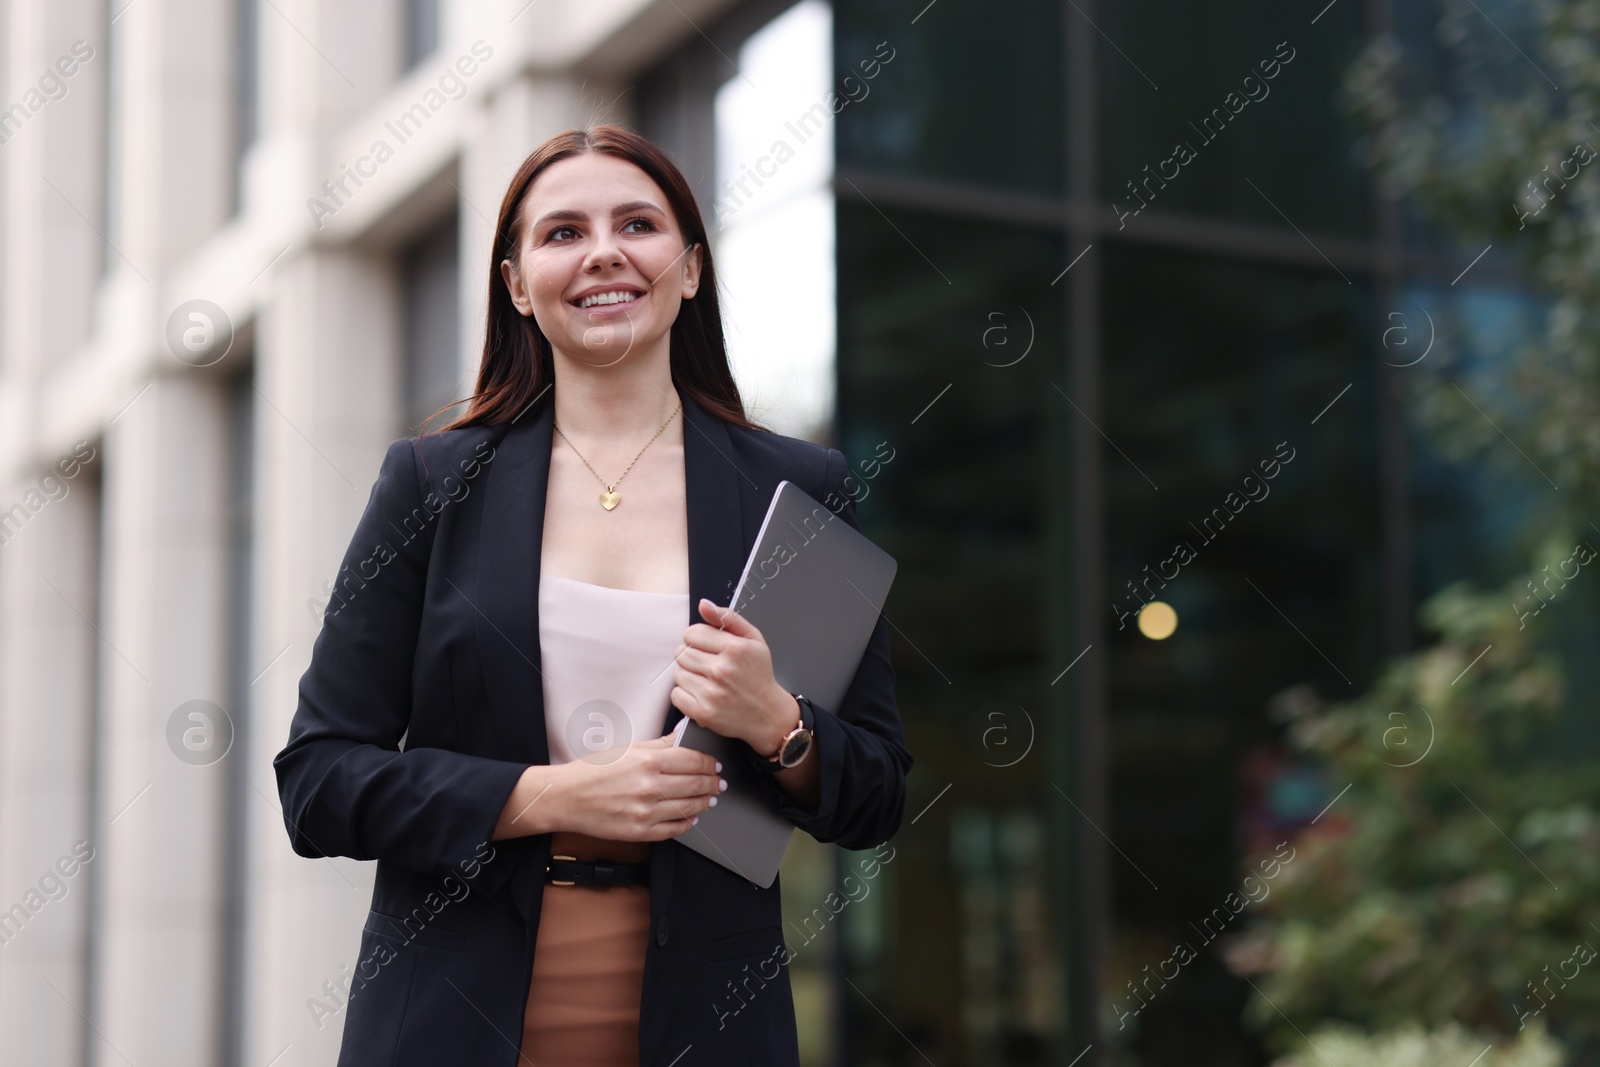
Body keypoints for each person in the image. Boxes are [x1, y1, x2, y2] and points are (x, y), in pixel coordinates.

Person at [273, 124, 911, 1067]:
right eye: (562, 232)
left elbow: (878, 795)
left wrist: (777, 720)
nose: (604, 250)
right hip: (457, 1007)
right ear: (519, 285)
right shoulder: (432, 484)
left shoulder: (797, 488)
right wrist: (548, 794)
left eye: (638, 224)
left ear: (689, 270)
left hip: (708, 1011)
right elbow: (318, 782)